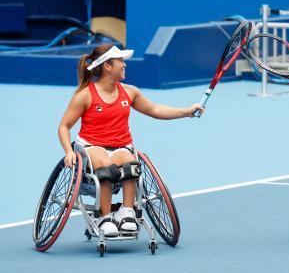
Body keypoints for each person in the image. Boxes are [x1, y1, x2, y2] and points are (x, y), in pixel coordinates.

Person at [58, 44, 203, 236]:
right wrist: (69, 151)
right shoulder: (84, 96)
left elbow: (155, 110)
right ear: (108, 66)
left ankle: (127, 212)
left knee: (130, 162)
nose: (125, 65)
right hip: (91, 146)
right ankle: (104, 215)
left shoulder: (130, 92)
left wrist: (186, 112)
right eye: (121, 61)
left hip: (121, 147)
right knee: (105, 163)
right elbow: (64, 126)